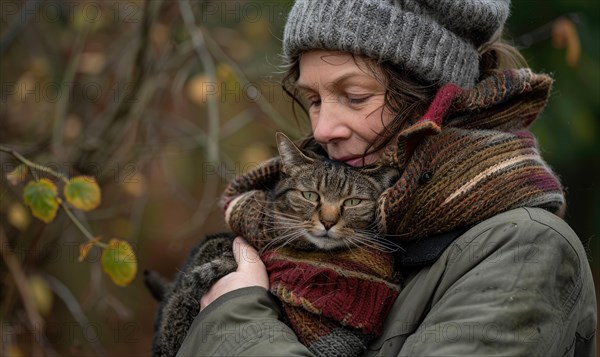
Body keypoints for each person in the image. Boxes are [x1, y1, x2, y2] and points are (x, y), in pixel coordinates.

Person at [176, 0, 597, 355]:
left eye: (354, 97)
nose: (323, 129)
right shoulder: (301, 226)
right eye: (314, 99)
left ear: (433, 100)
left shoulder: (524, 249)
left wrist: (234, 320)